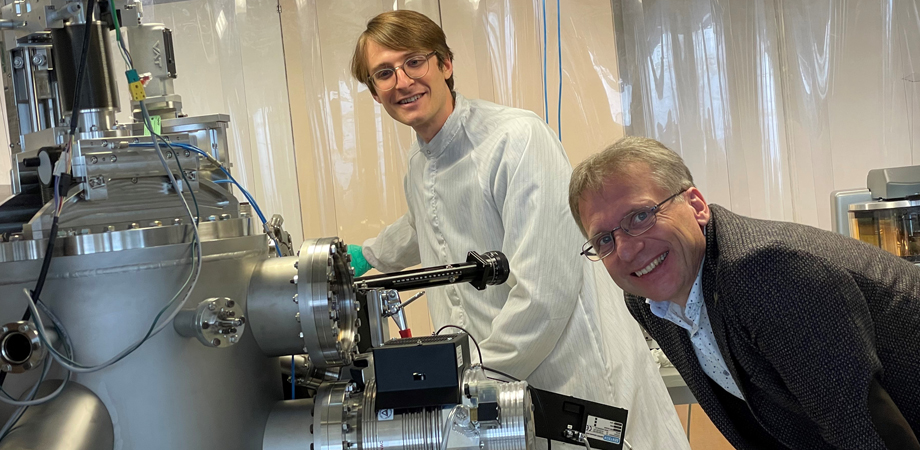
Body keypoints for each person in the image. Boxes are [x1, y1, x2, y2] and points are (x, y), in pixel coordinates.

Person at [347, 10, 689, 449]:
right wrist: (364, 257)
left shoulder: (516, 139)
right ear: (375, 93)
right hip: (498, 391)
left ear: (445, 64)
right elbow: (424, 220)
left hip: (570, 382)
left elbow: (545, 291)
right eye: (384, 73)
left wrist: (472, 379)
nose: (403, 81)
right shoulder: (421, 163)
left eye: (414, 62)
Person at [568, 136, 920, 449]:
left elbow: (863, 429)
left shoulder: (764, 270)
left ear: (696, 206)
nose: (626, 250)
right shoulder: (648, 301)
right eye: (604, 239)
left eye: (641, 216)